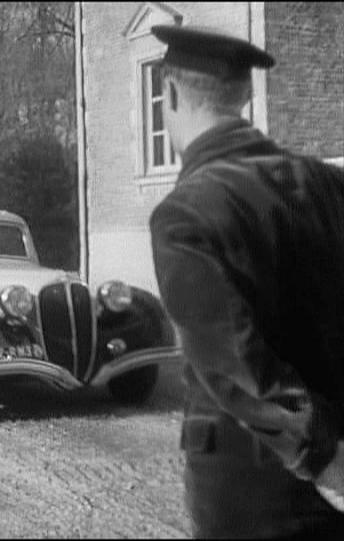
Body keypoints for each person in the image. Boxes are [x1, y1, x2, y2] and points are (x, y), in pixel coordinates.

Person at [148, 24, 344, 538]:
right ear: (244, 97)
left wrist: (322, 458)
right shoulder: (328, 184)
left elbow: (233, 361)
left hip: (255, 487)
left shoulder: (185, 212)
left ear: (168, 94)